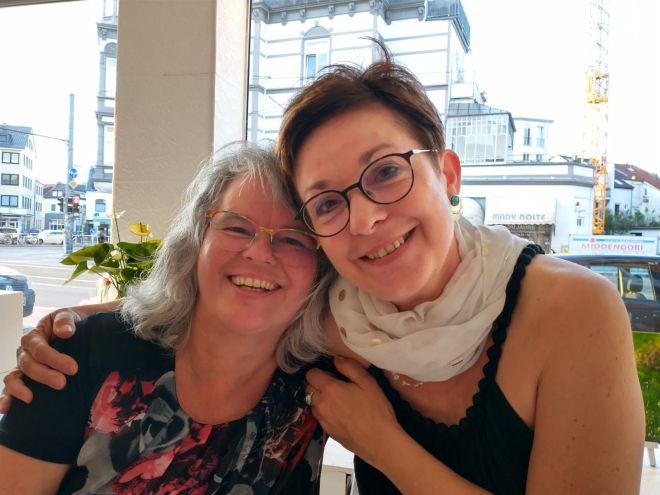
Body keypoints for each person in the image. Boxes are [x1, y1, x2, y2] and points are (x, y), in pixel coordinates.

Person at [4, 45, 645, 494]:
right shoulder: (345, 318)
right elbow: (222, 306)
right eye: (329, 203)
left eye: (386, 172)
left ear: (448, 173)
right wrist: (72, 330)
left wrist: (383, 443)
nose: (364, 219)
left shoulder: (570, 311)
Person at [0, 142, 336, 494]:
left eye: (294, 239)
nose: (260, 252)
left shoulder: (321, 379)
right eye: (236, 228)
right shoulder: (81, 355)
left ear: (322, 269)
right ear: (196, 241)